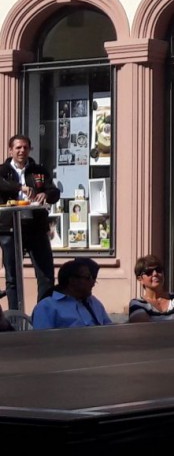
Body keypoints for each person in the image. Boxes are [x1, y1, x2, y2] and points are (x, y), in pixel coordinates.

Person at [0, 134, 60, 309]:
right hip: (9, 228)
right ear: (10, 150)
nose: (22, 151)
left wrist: (45, 195)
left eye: (25, 147)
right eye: (18, 147)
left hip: (35, 228)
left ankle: (43, 313)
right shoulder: (3, 171)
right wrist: (20, 187)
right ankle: (16, 317)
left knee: (46, 275)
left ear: (30, 149)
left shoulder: (38, 171)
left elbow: (54, 192)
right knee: (13, 277)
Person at [31, 257, 112, 329]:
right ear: (72, 280)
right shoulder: (47, 306)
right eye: (88, 278)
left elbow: (109, 328)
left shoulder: (93, 302)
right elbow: (42, 339)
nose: (92, 283)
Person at [129, 254, 174, 322]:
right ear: (140, 279)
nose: (155, 274)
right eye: (149, 272)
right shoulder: (137, 304)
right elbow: (143, 327)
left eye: (158, 270)